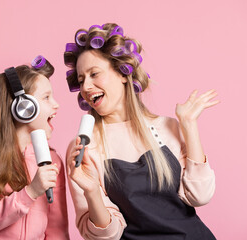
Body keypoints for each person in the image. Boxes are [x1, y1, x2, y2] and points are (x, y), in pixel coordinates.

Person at [64, 23, 218, 239]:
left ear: (123, 73)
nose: (86, 87)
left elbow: (200, 196)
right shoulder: (85, 147)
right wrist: (91, 191)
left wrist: (189, 125)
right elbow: (106, 236)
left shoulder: (168, 127)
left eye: (94, 74)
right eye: (81, 80)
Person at [0, 56, 69, 240]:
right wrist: (31, 192)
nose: (56, 104)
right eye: (46, 97)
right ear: (24, 107)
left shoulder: (52, 160)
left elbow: (57, 229)